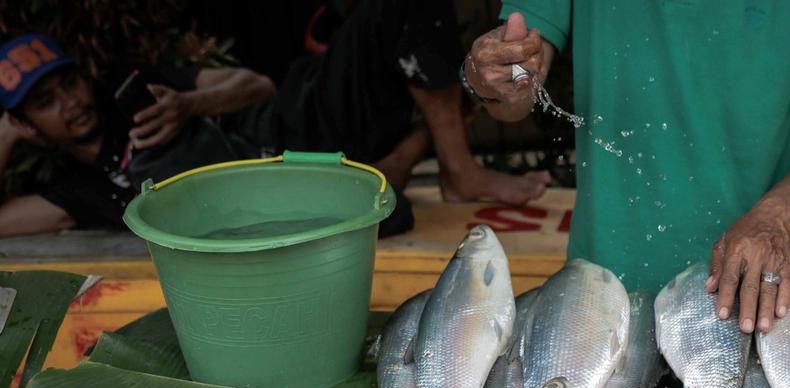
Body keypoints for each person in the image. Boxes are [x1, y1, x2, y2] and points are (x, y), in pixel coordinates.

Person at [464, 1, 790, 333]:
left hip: (764, 292)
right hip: (610, 291)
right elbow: (518, 87)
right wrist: (491, 76)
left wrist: (774, 217)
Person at [0, 2, 550, 239]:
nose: (69, 102)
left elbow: (254, 85)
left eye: (66, 83)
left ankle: (457, 166)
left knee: (394, 7)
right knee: (391, 214)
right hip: (282, 193)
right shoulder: (81, 191)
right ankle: (413, 145)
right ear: (24, 125)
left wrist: (188, 104)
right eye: (44, 102)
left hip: (292, 120)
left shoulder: (132, 90)